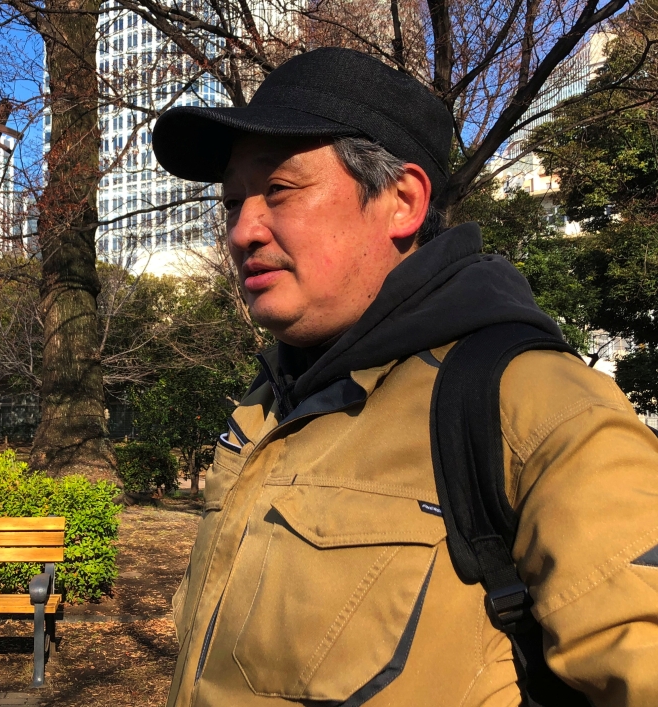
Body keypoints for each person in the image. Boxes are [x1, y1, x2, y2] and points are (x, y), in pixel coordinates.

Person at [150, 47, 658, 707]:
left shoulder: (533, 404)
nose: (243, 230)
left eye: (278, 190)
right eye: (233, 202)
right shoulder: (262, 409)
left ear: (402, 200)